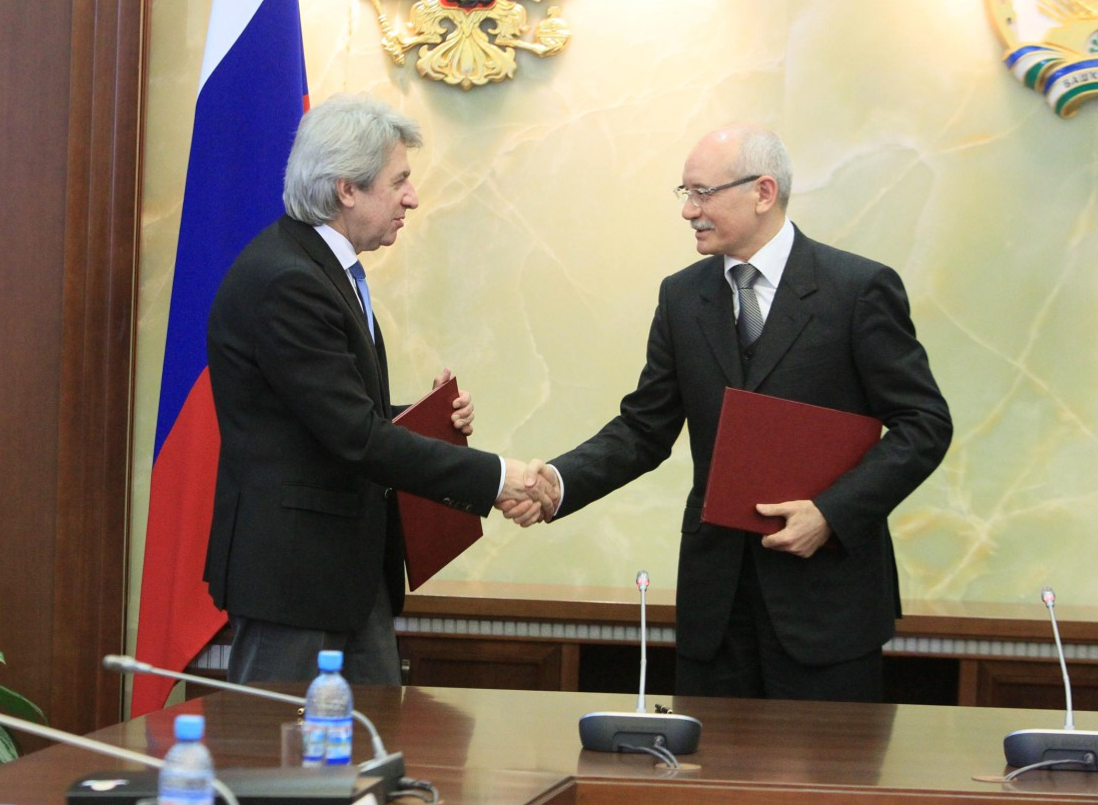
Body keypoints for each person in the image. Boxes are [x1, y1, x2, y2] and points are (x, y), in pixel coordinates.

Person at [504, 123, 951, 702]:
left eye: (703, 193)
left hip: (826, 605)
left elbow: (924, 424)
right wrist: (558, 482)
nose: (688, 211)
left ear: (763, 192)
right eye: (685, 193)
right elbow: (644, 428)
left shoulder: (857, 289)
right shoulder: (682, 296)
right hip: (715, 609)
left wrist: (831, 513)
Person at [205, 94, 552, 686]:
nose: (411, 198)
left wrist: (424, 417)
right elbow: (355, 436)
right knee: (276, 743)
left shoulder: (320, 270)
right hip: (295, 580)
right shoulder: (287, 280)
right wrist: (499, 478)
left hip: (349, 573)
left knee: (375, 738)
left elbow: (324, 410)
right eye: (399, 181)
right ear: (347, 189)